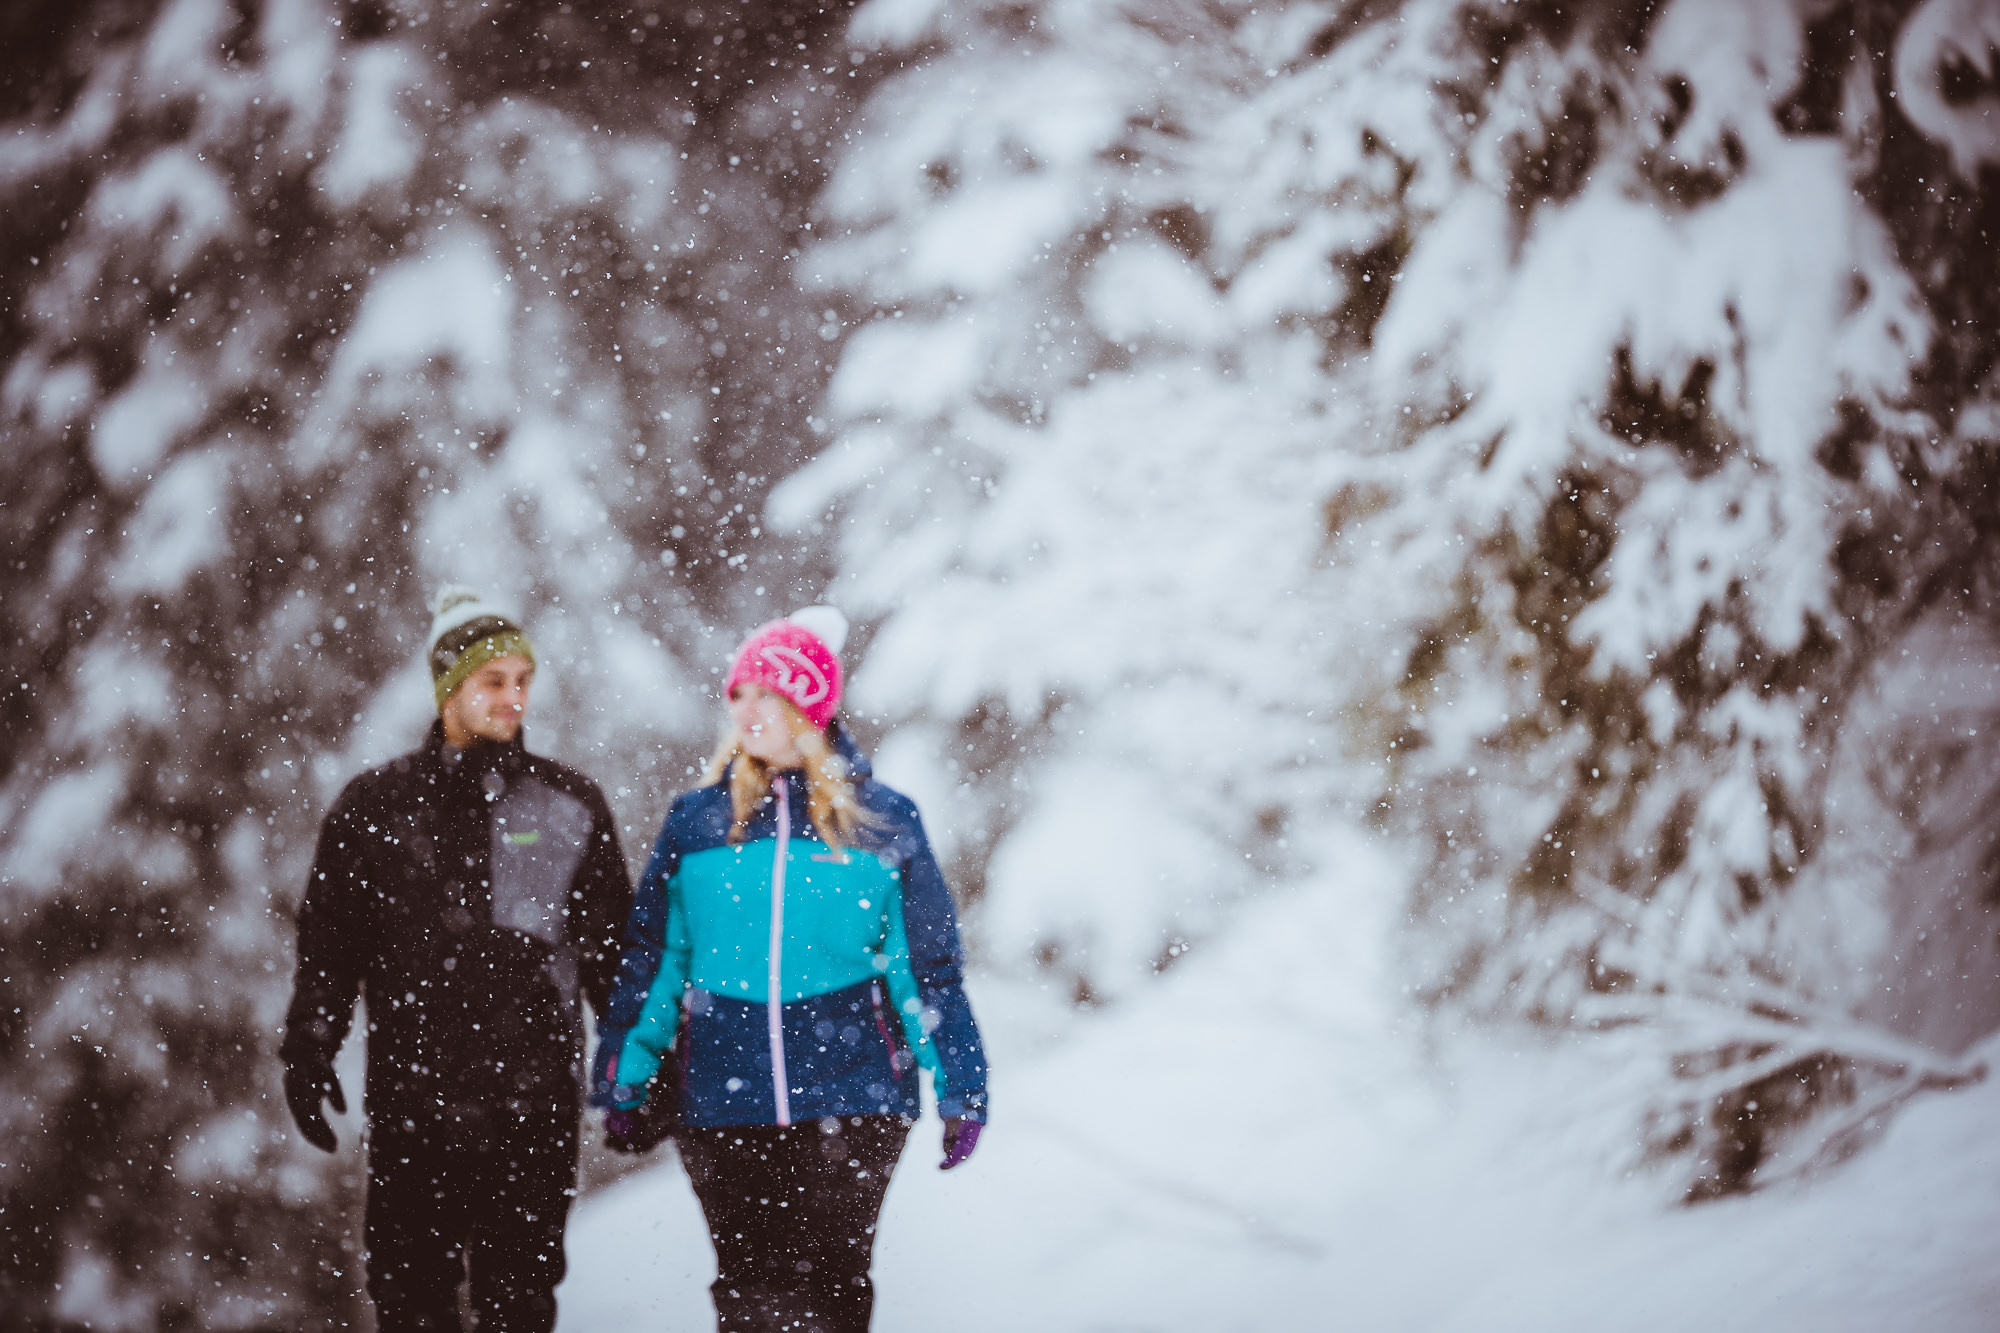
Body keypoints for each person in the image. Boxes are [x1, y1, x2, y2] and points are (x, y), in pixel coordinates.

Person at [594, 606, 987, 1333]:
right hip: (722, 1098)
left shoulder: (882, 821)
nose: (743, 708)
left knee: (832, 1298)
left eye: (763, 693)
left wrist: (960, 1079)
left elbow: (926, 968)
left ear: (807, 705)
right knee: (748, 1299)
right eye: (737, 692)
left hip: (855, 1094)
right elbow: (655, 958)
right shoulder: (699, 822)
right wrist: (626, 1067)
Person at [280, 587, 634, 1333]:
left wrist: (641, 1071)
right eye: (493, 680)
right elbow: (330, 947)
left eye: (522, 680)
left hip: (533, 1109)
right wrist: (310, 1046)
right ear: (449, 688)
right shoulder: (372, 809)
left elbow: (613, 959)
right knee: (411, 1303)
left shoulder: (569, 805)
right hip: (414, 1107)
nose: (514, 697)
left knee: (520, 1309)